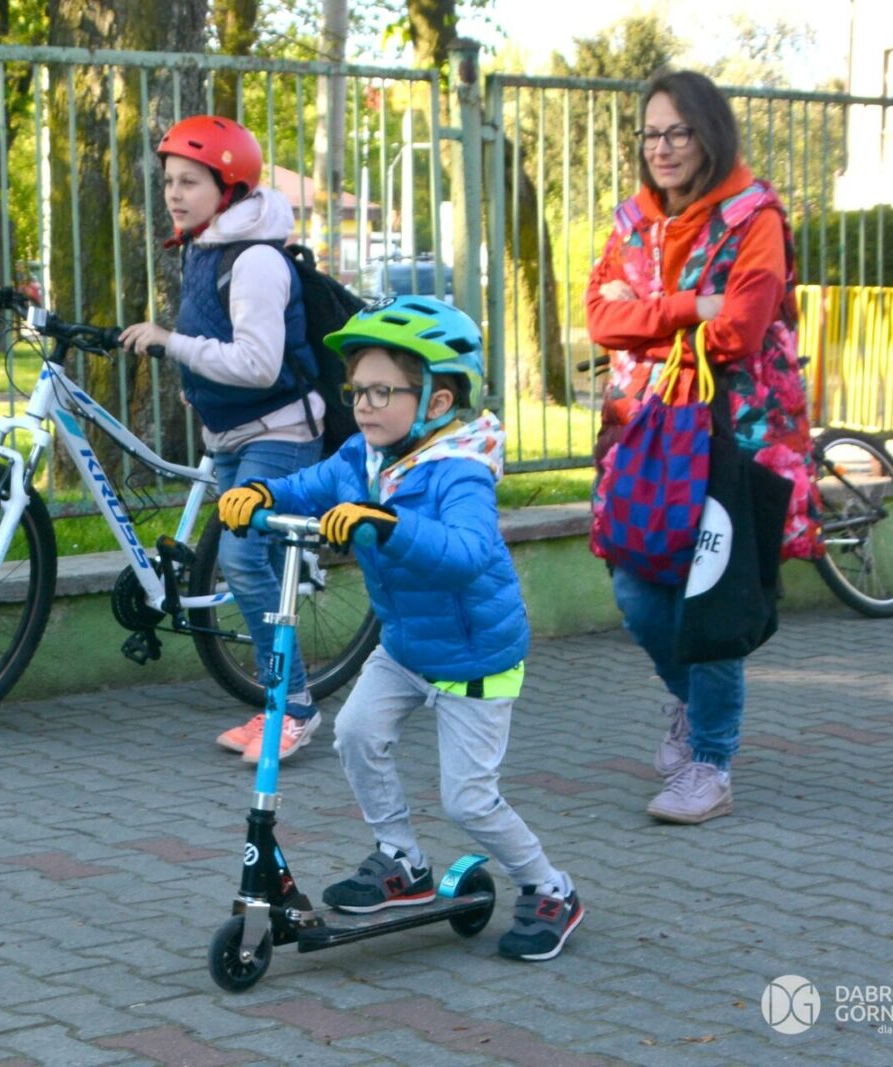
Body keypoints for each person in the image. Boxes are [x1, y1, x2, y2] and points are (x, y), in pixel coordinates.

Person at [216, 296, 583, 962]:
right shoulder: (364, 455)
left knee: (468, 801)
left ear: (437, 401)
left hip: (473, 656)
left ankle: (549, 887)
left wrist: (389, 524)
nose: (364, 405)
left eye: (383, 392)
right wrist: (265, 495)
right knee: (356, 734)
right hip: (406, 646)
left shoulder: (460, 471)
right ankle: (403, 860)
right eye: (357, 390)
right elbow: (312, 484)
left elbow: (468, 552)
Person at [585, 70, 821, 825]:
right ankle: (691, 702)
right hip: (646, 431)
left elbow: (740, 331)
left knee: (711, 592)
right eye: (651, 134)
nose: (661, 148)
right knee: (635, 585)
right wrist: (693, 304)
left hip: (731, 433)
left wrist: (648, 315)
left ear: (709, 135)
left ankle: (711, 763)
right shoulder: (633, 223)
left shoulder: (755, 217)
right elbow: (599, 320)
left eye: (678, 132)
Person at [119, 115, 328, 763]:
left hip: (281, 431)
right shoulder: (206, 247)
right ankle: (278, 695)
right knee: (250, 559)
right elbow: (223, 348)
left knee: (240, 559)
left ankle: (294, 707)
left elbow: (259, 365)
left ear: (229, 186)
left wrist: (172, 343)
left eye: (190, 181)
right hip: (234, 432)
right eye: (169, 182)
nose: (174, 194)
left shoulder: (255, 259)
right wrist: (197, 383)